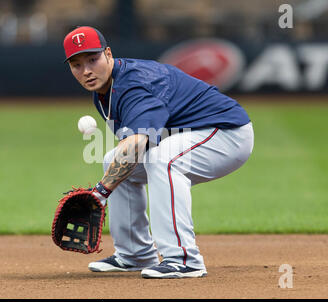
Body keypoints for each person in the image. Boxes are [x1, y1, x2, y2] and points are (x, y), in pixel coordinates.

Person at [63, 26, 254, 279]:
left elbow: (136, 144)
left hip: (226, 133)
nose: (86, 70)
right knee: (114, 160)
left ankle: (184, 259)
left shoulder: (134, 85)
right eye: (77, 64)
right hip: (194, 134)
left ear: (108, 54)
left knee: (163, 158)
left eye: (92, 59)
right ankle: (135, 254)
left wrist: (99, 194)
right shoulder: (104, 90)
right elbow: (129, 150)